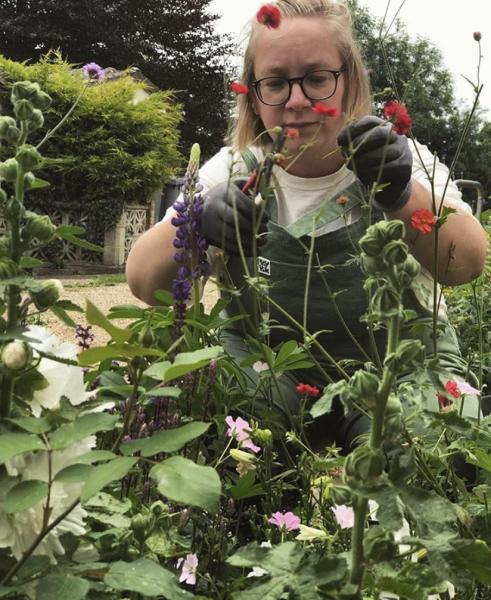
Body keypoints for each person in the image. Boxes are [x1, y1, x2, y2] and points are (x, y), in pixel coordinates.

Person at [126, 0, 487, 450]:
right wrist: (198, 223)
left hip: (402, 365)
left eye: (317, 79)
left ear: (348, 81)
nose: (297, 101)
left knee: (430, 444)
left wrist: (401, 195)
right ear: (253, 95)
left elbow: (468, 264)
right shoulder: (235, 168)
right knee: (223, 423)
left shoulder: (401, 158)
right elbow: (143, 281)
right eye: (276, 83)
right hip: (266, 369)